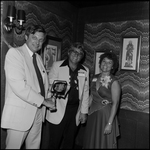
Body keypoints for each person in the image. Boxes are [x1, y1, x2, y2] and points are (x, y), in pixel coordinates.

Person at [1, 24, 55, 149]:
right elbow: (20, 87)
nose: (38, 42)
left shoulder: (38, 58)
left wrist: (49, 98)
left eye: (41, 40)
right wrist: (44, 101)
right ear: (26, 37)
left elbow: (41, 84)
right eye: (34, 38)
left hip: (38, 112)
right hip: (20, 115)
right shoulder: (15, 54)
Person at [40, 42, 90, 149]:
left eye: (80, 53)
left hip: (75, 111)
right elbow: (51, 85)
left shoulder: (85, 70)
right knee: (54, 142)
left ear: (82, 57)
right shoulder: (57, 65)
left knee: (69, 141)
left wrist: (84, 112)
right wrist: (58, 88)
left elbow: (85, 92)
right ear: (68, 52)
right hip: (58, 109)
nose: (76, 55)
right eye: (74, 52)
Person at [83, 51, 121, 149]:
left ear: (113, 66)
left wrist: (109, 124)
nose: (105, 64)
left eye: (109, 63)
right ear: (100, 63)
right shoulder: (95, 77)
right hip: (93, 115)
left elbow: (115, 104)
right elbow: (91, 96)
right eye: (104, 61)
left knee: (103, 143)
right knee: (92, 140)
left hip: (106, 116)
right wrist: (83, 111)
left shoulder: (114, 81)